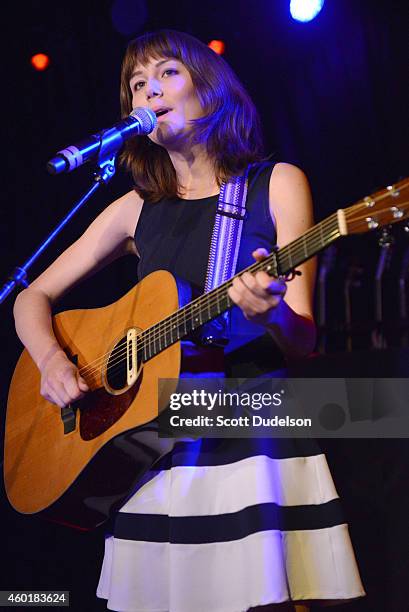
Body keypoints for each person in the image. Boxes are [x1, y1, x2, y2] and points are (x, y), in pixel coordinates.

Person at [13, 29, 364, 612]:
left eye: (167, 74)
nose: (150, 90)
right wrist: (52, 362)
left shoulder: (275, 184)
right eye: (137, 84)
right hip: (155, 455)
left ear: (213, 88)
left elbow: (303, 338)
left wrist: (271, 311)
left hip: (250, 438)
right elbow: (31, 298)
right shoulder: (133, 209)